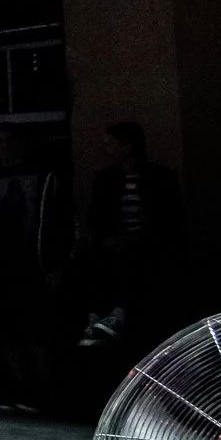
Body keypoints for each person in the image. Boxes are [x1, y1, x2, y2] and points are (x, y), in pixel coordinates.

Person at [75, 120, 183, 348]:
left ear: (128, 146)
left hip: (148, 244)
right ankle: (95, 317)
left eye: (111, 144)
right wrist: (106, 239)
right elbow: (95, 217)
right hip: (112, 243)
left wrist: (142, 239)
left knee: (134, 259)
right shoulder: (105, 179)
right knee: (92, 260)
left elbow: (169, 218)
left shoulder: (160, 177)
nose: (106, 150)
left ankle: (118, 315)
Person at [0, 125, 64, 405]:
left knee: (36, 330)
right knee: (7, 330)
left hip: (33, 263)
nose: (1, 147)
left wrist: (55, 262)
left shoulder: (43, 175)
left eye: (6, 141)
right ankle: (18, 387)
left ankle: (44, 389)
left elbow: (57, 220)